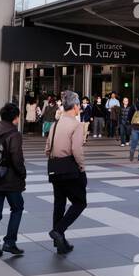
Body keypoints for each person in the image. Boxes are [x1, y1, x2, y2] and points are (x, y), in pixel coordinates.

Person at [0, 102, 26, 258]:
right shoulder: (14, 134)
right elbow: (17, 159)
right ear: (15, 118)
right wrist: (23, 174)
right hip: (10, 180)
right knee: (17, 208)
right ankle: (9, 242)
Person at [46, 93, 87, 254]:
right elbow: (76, 149)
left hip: (54, 167)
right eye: (79, 106)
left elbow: (47, 149)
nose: (80, 109)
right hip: (70, 168)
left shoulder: (55, 124)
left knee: (59, 203)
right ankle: (58, 230)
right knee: (80, 202)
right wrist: (82, 167)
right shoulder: (76, 125)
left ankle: (59, 242)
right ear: (75, 106)